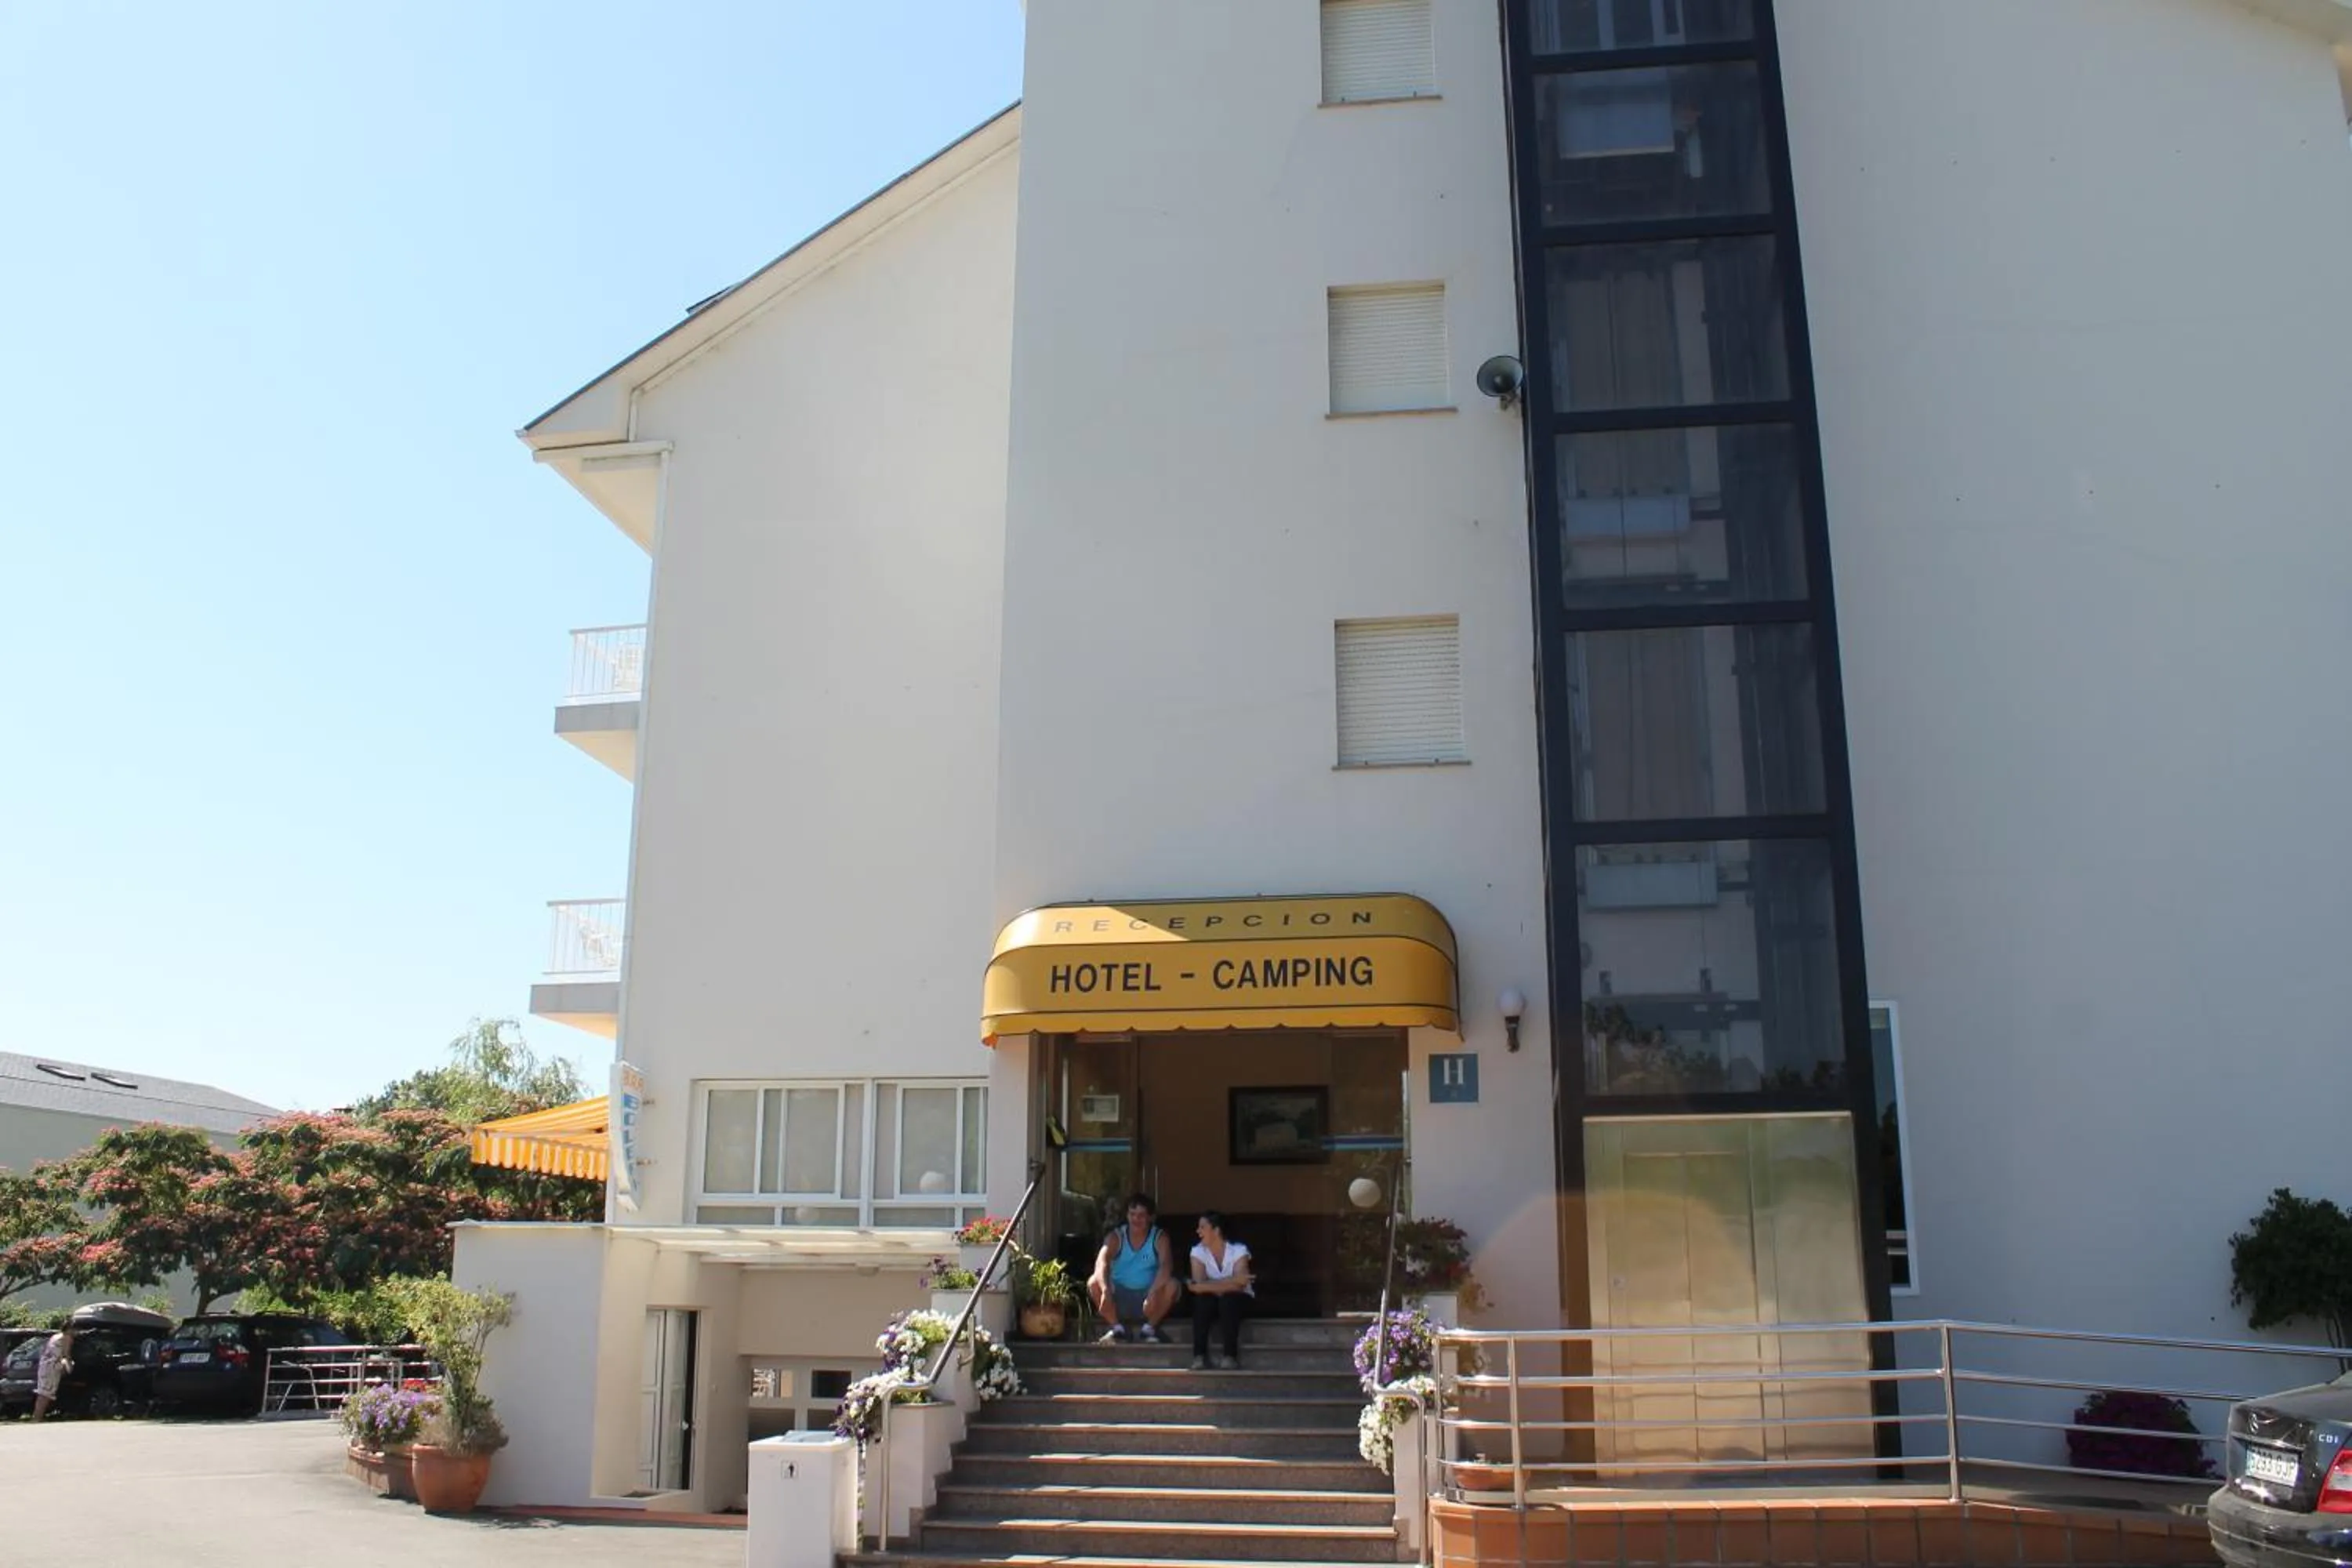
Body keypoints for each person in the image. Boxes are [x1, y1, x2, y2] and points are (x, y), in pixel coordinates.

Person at [1089, 1192, 1177, 1343]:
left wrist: (1153, 1291)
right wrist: (1105, 1291)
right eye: (1132, 1214)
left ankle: (1149, 1329)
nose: (1136, 1219)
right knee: (1093, 1283)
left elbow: (1166, 1267)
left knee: (1173, 1285)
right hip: (1119, 1296)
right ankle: (1117, 1329)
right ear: (1127, 1215)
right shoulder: (1116, 1237)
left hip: (1149, 1299)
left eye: (1141, 1215)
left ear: (1150, 1217)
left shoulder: (1159, 1237)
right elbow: (1101, 1263)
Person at [1188, 1210, 1253, 1370]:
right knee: (1202, 1302)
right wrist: (1231, 1281)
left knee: (1229, 1300)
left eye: (1202, 1227)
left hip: (1238, 1299)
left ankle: (1230, 1356)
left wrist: (1205, 1286)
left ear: (1216, 1230)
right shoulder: (1197, 1251)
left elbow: (1240, 1286)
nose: (1198, 1231)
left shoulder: (1239, 1250)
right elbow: (1198, 1286)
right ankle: (1199, 1356)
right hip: (1210, 1299)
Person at [31, 1327, 74, 1420]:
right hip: (52, 1367)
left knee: (42, 1393)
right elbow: (66, 1355)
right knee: (45, 1395)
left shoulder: (55, 1336)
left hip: (44, 1366)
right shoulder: (67, 1338)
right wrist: (69, 1366)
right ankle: (37, 1418)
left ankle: (36, 1417)